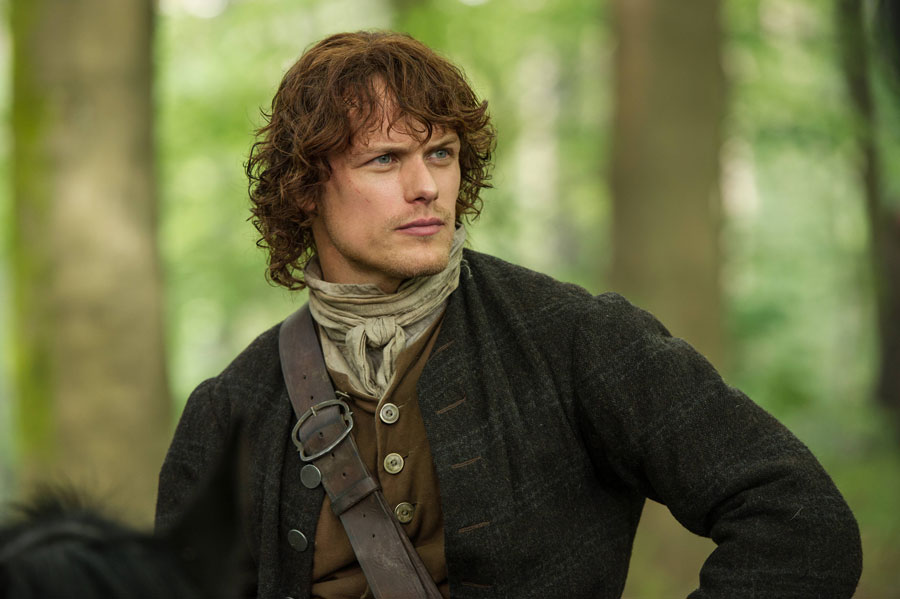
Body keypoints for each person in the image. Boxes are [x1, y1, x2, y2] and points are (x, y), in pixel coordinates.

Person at [156, 31, 862, 598]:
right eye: (385, 160)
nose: (426, 185)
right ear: (306, 188)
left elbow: (798, 518)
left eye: (442, 153)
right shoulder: (228, 412)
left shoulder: (570, 339)